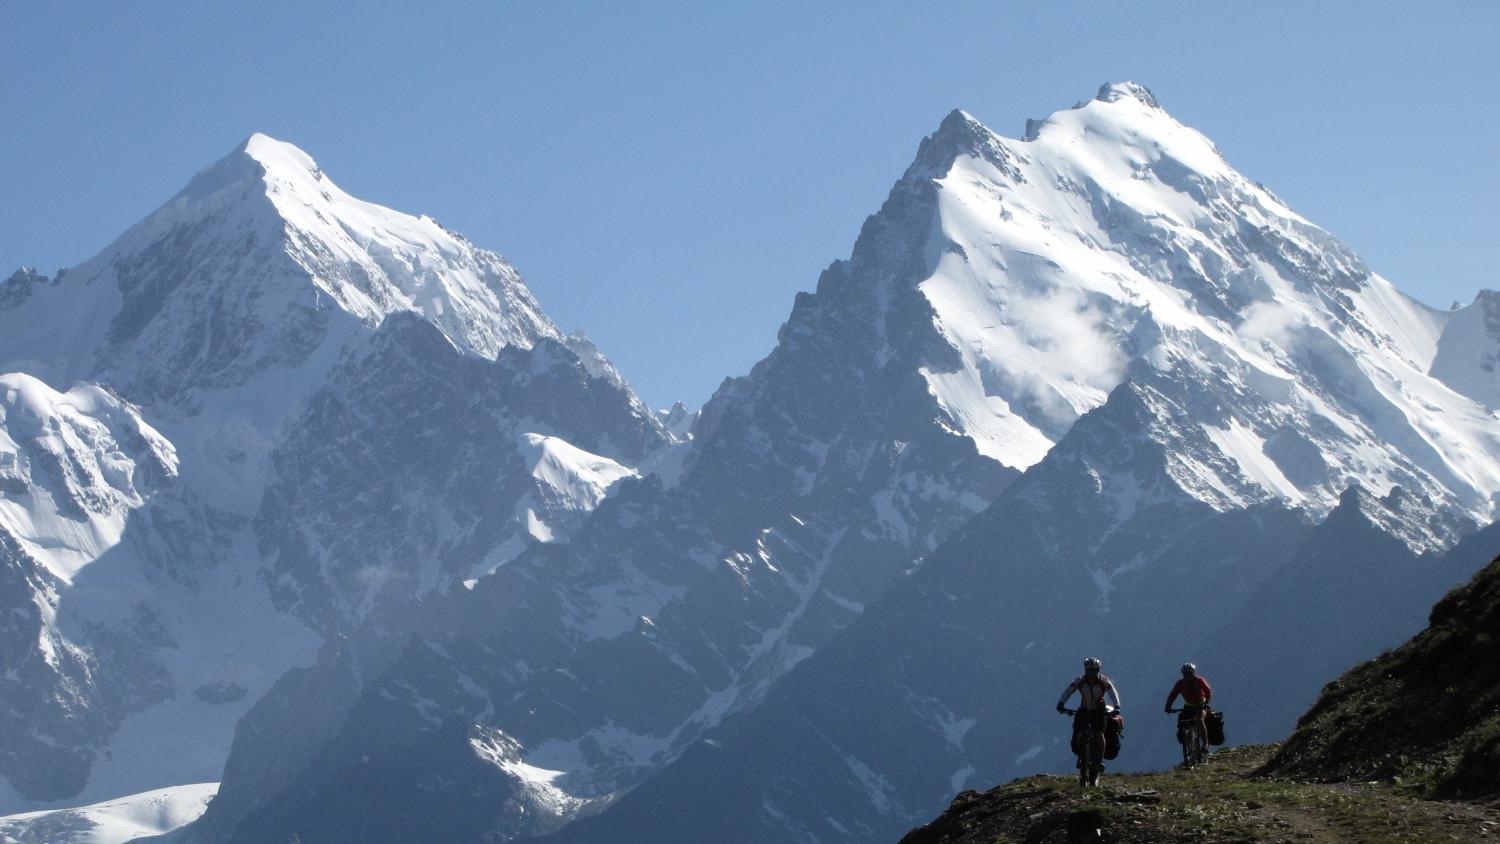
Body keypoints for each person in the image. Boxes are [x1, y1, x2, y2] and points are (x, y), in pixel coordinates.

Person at [1056, 657, 1122, 780]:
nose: (1091, 673)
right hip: (1084, 710)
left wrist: (1117, 706)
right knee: (1078, 732)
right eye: (1089, 670)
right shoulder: (1080, 681)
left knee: (1099, 733)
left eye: (1094, 670)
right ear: (1085, 670)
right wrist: (1061, 703)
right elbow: (1068, 691)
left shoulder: (1104, 681)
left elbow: (1113, 693)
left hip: (1099, 711)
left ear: (1098, 670)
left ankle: (1100, 761)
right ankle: (1080, 756)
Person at [1164, 662, 1213, 760]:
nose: (1187, 676)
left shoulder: (1200, 681)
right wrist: (1168, 706)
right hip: (1188, 707)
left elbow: (1208, 691)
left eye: (1189, 674)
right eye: (1185, 674)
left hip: (1201, 706)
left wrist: (1206, 703)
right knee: (1182, 722)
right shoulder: (1180, 683)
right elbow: (1173, 695)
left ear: (1193, 673)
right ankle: (1186, 740)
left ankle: (1205, 744)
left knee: (1199, 720)